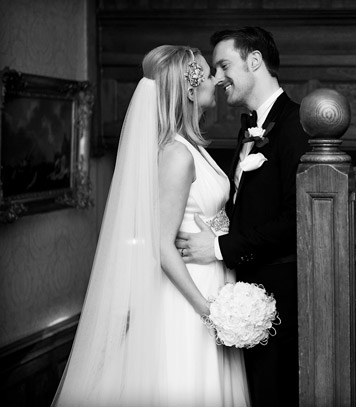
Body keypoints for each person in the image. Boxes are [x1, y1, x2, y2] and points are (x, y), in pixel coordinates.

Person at [52, 45, 249, 407]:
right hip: (190, 290)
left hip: (213, 276)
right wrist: (208, 311)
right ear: (190, 90)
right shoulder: (176, 154)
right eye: (207, 74)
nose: (215, 81)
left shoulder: (192, 145)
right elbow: (160, 245)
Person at [176, 27, 310, 406]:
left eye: (223, 65)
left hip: (278, 293)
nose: (216, 79)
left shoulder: (297, 125)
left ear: (254, 61)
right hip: (242, 290)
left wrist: (219, 246)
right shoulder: (249, 128)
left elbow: (295, 221)